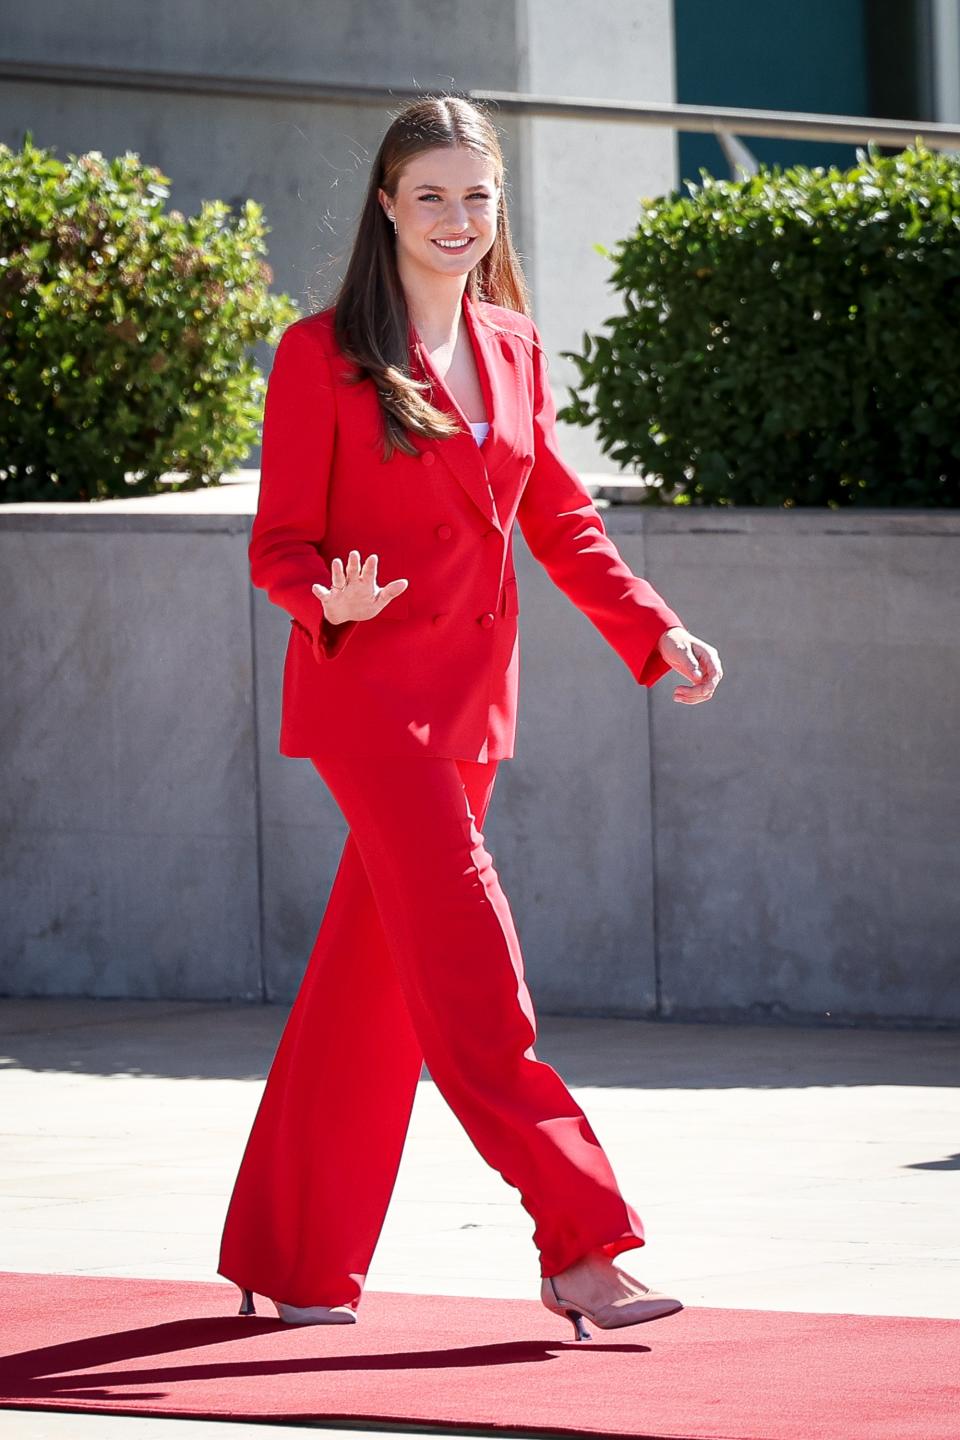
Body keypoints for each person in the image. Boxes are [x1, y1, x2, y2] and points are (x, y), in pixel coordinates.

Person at [217, 94, 723, 1342]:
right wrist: (321, 594)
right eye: (430, 194)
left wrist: (650, 629)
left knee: (370, 991)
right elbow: (277, 543)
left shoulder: (513, 345)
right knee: (476, 982)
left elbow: (558, 514)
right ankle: (583, 1242)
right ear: (385, 203)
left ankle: (287, 1259)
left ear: (500, 206)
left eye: (476, 196)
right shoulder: (317, 353)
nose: (456, 218)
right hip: (369, 702)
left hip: (470, 711)